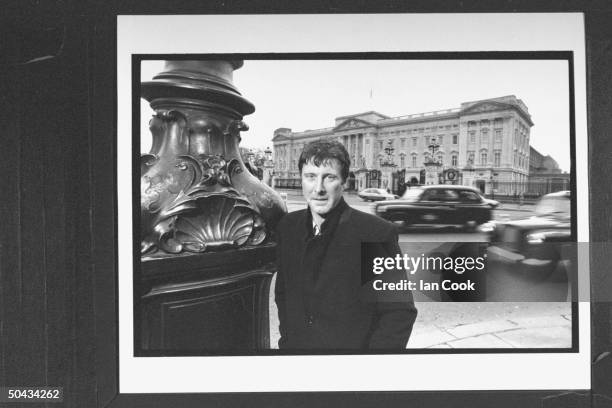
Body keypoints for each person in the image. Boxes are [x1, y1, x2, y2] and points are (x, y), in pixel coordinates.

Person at [274, 140, 417, 350]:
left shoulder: (376, 233)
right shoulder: (287, 226)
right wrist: (286, 343)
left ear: (344, 182)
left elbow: (399, 313)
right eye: (310, 177)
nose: (318, 188)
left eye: (329, 177)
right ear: (302, 179)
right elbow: (283, 294)